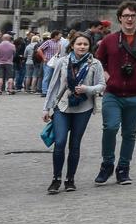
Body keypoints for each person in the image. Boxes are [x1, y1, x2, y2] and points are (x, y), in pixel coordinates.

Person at [92, 1, 136, 185]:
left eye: (133, 16)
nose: (129, 19)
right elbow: (98, 62)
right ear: (120, 18)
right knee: (110, 127)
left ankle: (123, 169)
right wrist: (107, 77)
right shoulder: (109, 40)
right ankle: (107, 164)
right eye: (126, 16)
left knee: (129, 133)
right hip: (113, 94)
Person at [41, 32, 106, 194]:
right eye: (79, 44)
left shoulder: (95, 64)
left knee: (75, 144)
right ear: (72, 45)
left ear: (89, 46)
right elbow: (53, 86)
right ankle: (56, 179)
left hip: (83, 108)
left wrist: (87, 89)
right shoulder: (63, 62)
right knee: (60, 141)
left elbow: (101, 85)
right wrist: (46, 108)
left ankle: (70, 179)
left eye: (85, 44)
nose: (82, 47)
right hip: (62, 106)